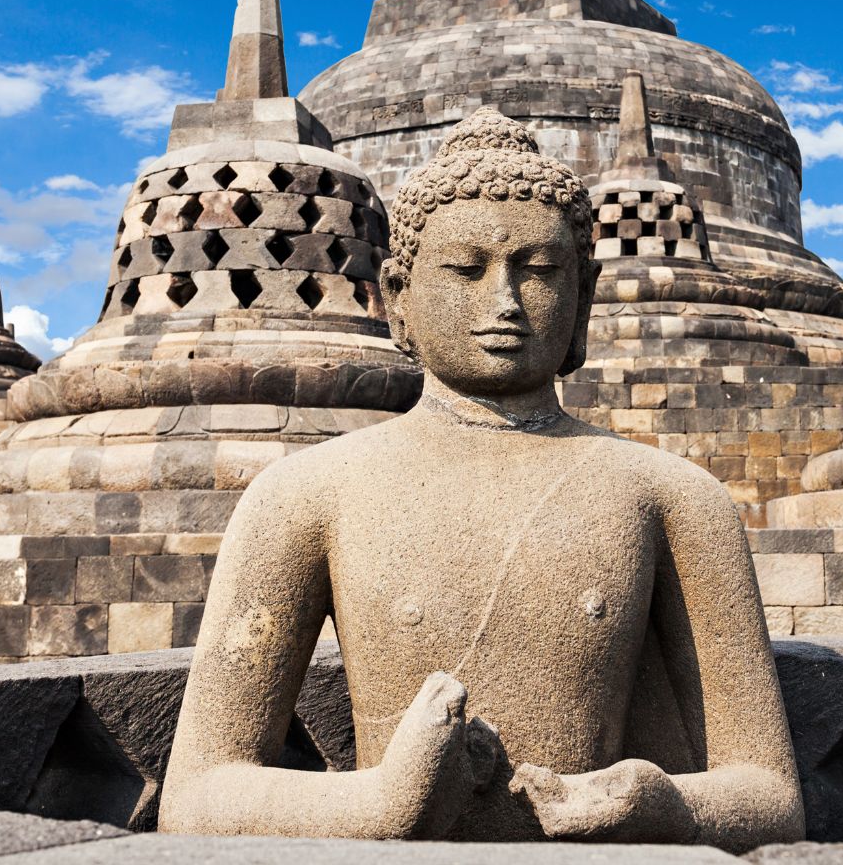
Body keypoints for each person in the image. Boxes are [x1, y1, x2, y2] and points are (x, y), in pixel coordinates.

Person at [158, 109, 804, 850]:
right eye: (465, 270)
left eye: (539, 271)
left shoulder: (672, 498)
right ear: (397, 296)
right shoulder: (304, 496)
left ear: (584, 294)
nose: (504, 302)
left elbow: (770, 793)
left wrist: (663, 804)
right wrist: (378, 805)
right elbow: (200, 791)